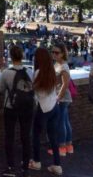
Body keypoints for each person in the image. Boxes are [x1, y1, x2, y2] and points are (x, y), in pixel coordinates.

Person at [0, 44, 35, 177]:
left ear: (10, 56)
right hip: (27, 107)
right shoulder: (30, 71)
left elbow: (1, 90)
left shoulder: (6, 73)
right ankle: (25, 167)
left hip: (11, 107)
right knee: (26, 137)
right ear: (23, 56)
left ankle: (11, 167)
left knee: (9, 137)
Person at [28, 46, 62, 175]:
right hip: (54, 106)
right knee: (53, 137)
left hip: (43, 108)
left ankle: (36, 161)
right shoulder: (52, 71)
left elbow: (33, 89)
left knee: (36, 135)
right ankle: (57, 165)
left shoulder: (38, 73)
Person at [51, 43, 73, 157]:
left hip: (62, 97)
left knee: (60, 122)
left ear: (63, 53)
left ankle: (62, 147)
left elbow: (65, 84)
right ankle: (69, 146)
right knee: (65, 121)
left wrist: (58, 97)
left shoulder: (63, 66)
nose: (54, 54)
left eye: (57, 52)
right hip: (61, 96)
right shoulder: (57, 63)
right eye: (53, 52)